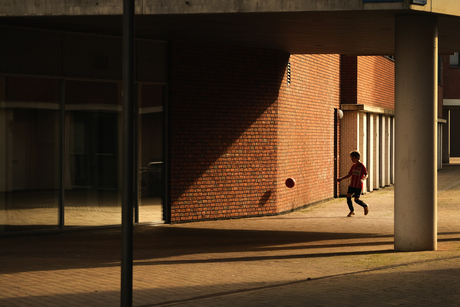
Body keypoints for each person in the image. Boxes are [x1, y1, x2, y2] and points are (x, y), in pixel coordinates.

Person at [337, 150, 369, 217]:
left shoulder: (362, 166)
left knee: (356, 200)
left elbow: (366, 175)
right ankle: (352, 211)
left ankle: (365, 206)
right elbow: (349, 175)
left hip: (358, 186)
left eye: (352, 158)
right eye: (351, 158)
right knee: (348, 197)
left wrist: (363, 179)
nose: (351, 159)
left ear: (357, 158)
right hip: (352, 185)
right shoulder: (353, 166)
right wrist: (341, 178)